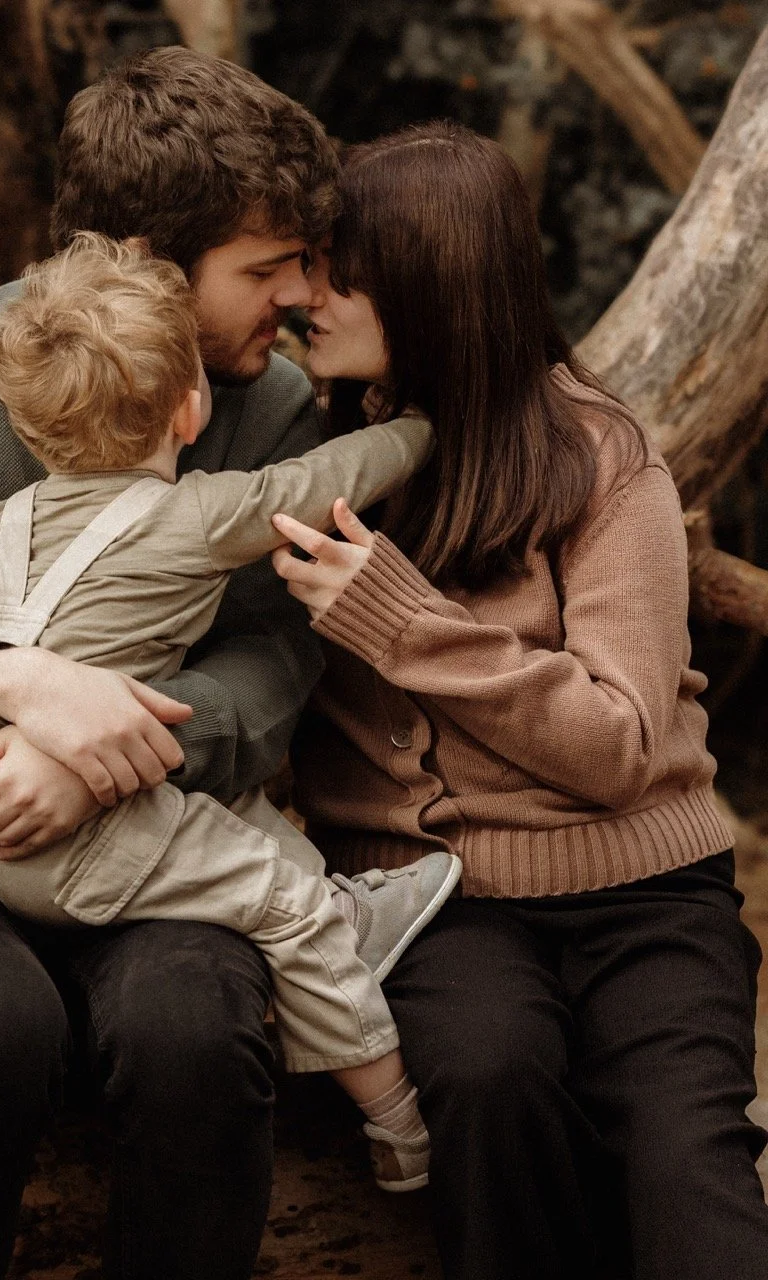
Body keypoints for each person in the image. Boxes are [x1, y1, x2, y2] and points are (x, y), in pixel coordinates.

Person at [0, 47, 343, 1280]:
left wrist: (93, 753)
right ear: (150, 265)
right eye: (265, 267)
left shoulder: (272, 406)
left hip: (159, 841)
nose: (298, 297)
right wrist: (8, 681)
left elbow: (271, 664)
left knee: (194, 1027)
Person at [0, 231, 461, 1188]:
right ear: (191, 406)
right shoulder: (197, 516)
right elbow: (321, 485)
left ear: (28, 426)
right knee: (282, 909)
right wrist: (421, 426)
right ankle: (399, 1126)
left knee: (222, 820)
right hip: (61, 847)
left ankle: (334, 904)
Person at [271, 120, 768, 1280]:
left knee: (685, 1160)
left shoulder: (602, 460)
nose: (308, 295)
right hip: (433, 904)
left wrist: (402, 623)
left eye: (342, 270)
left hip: (647, 893)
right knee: (491, 1082)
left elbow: (617, 745)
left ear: (433, 282)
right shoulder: (301, 453)